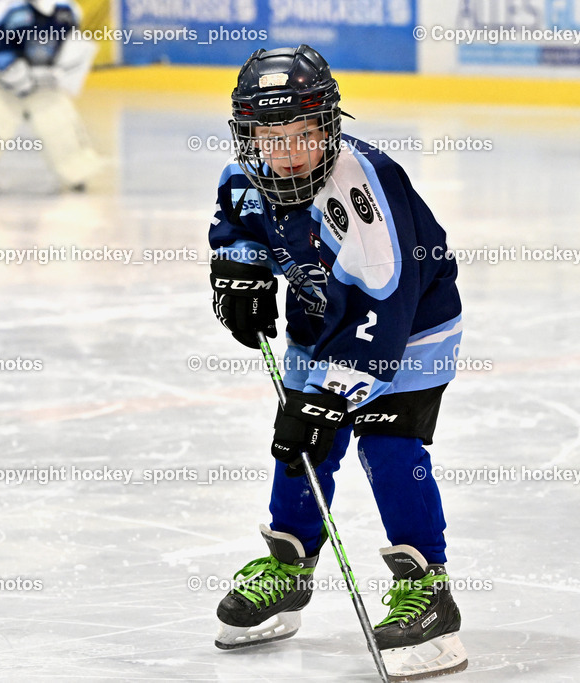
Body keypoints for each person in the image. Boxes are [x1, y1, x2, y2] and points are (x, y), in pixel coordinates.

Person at [207, 44, 467, 678]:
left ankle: (428, 591)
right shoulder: (246, 175)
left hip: (408, 334)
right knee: (301, 444)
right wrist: (239, 273)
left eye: (303, 135)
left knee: (388, 448)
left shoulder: (362, 194)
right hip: (319, 323)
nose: (288, 151)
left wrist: (331, 398)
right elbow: (239, 225)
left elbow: (383, 308)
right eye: (271, 138)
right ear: (250, 135)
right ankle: (289, 565)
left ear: (329, 127)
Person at [0, 0, 100, 192]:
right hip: (7, 87)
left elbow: (72, 46)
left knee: (60, 125)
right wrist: (5, 74)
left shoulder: (68, 10)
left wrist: (61, 73)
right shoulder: (6, 9)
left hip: (45, 88)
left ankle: (75, 170)